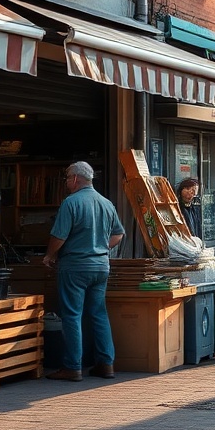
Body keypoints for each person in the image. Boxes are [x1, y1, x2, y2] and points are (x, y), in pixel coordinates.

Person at [43, 161, 125, 381]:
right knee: (99, 314)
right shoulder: (107, 203)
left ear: (76, 179)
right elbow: (118, 235)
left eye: (68, 178)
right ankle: (106, 364)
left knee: (72, 315)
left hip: (75, 267)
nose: (67, 182)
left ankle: (72, 367)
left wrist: (49, 256)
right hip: (100, 266)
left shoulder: (71, 203)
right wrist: (98, 246)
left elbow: (59, 236)